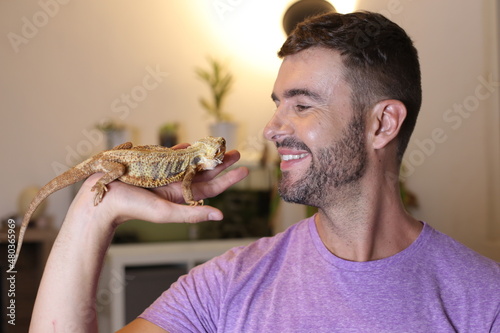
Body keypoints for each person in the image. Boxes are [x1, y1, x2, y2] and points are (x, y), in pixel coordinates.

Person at [30, 11, 499, 332]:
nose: (272, 130)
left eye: (302, 105)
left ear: (382, 123)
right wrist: (95, 212)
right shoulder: (226, 285)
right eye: (277, 106)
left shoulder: (483, 300)